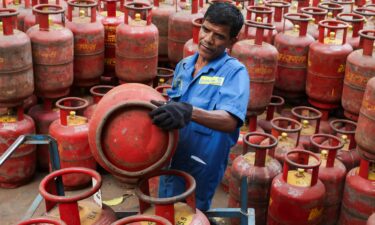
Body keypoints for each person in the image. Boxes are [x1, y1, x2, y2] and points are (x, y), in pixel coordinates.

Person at [149, 2, 249, 211]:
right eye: (206, 29)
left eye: (219, 36)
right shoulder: (184, 66)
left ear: (232, 41)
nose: (208, 39)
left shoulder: (235, 73)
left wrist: (190, 112)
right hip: (172, 154)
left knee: (192, 214)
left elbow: (230, 120)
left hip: (202, 162)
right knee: (165, 209)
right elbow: (173, 108)